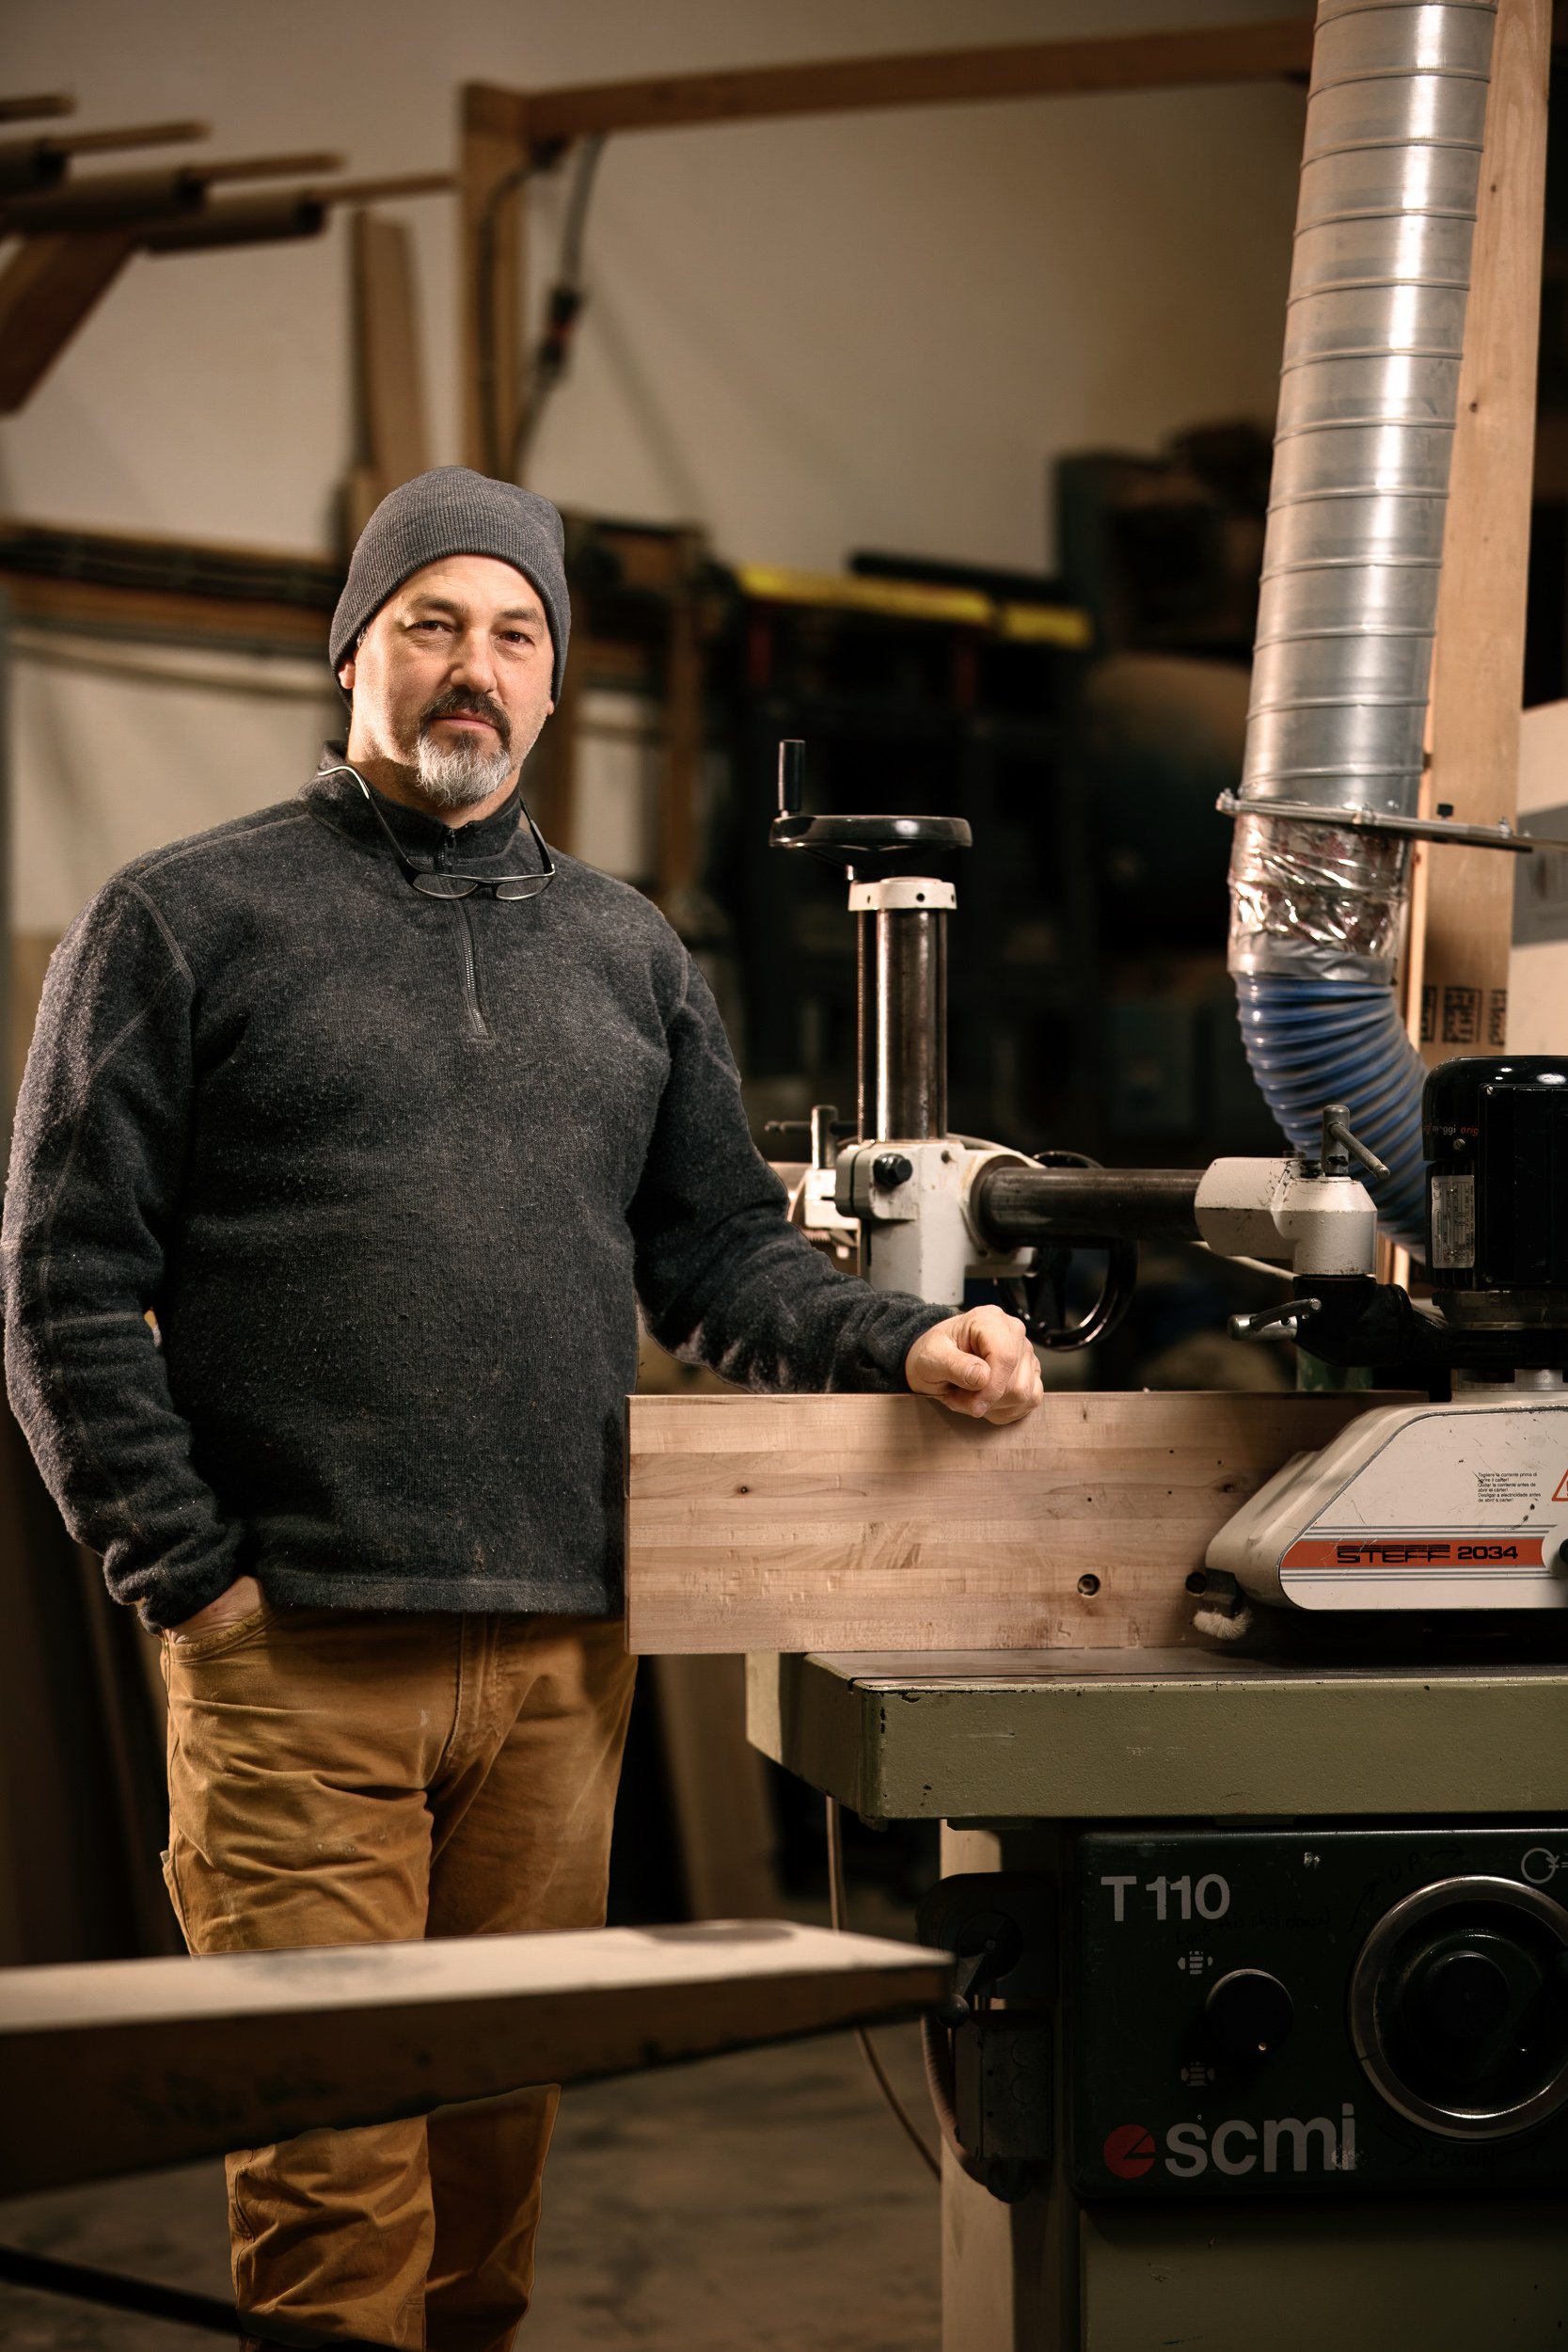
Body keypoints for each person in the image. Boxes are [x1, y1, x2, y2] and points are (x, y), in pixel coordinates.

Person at [2, 467, 1042, 2351]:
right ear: (352, 648)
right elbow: (60, 1284)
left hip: (563, 1667)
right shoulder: (180, 919)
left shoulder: (631, 954)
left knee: (490, 2184)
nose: (472, 669)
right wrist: (190, 1580)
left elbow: (720, 1256)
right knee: (335, 2189)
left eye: (515, 633)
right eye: (431, 622)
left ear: (553, 682)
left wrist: (906, 1343)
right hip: (295, 1658)